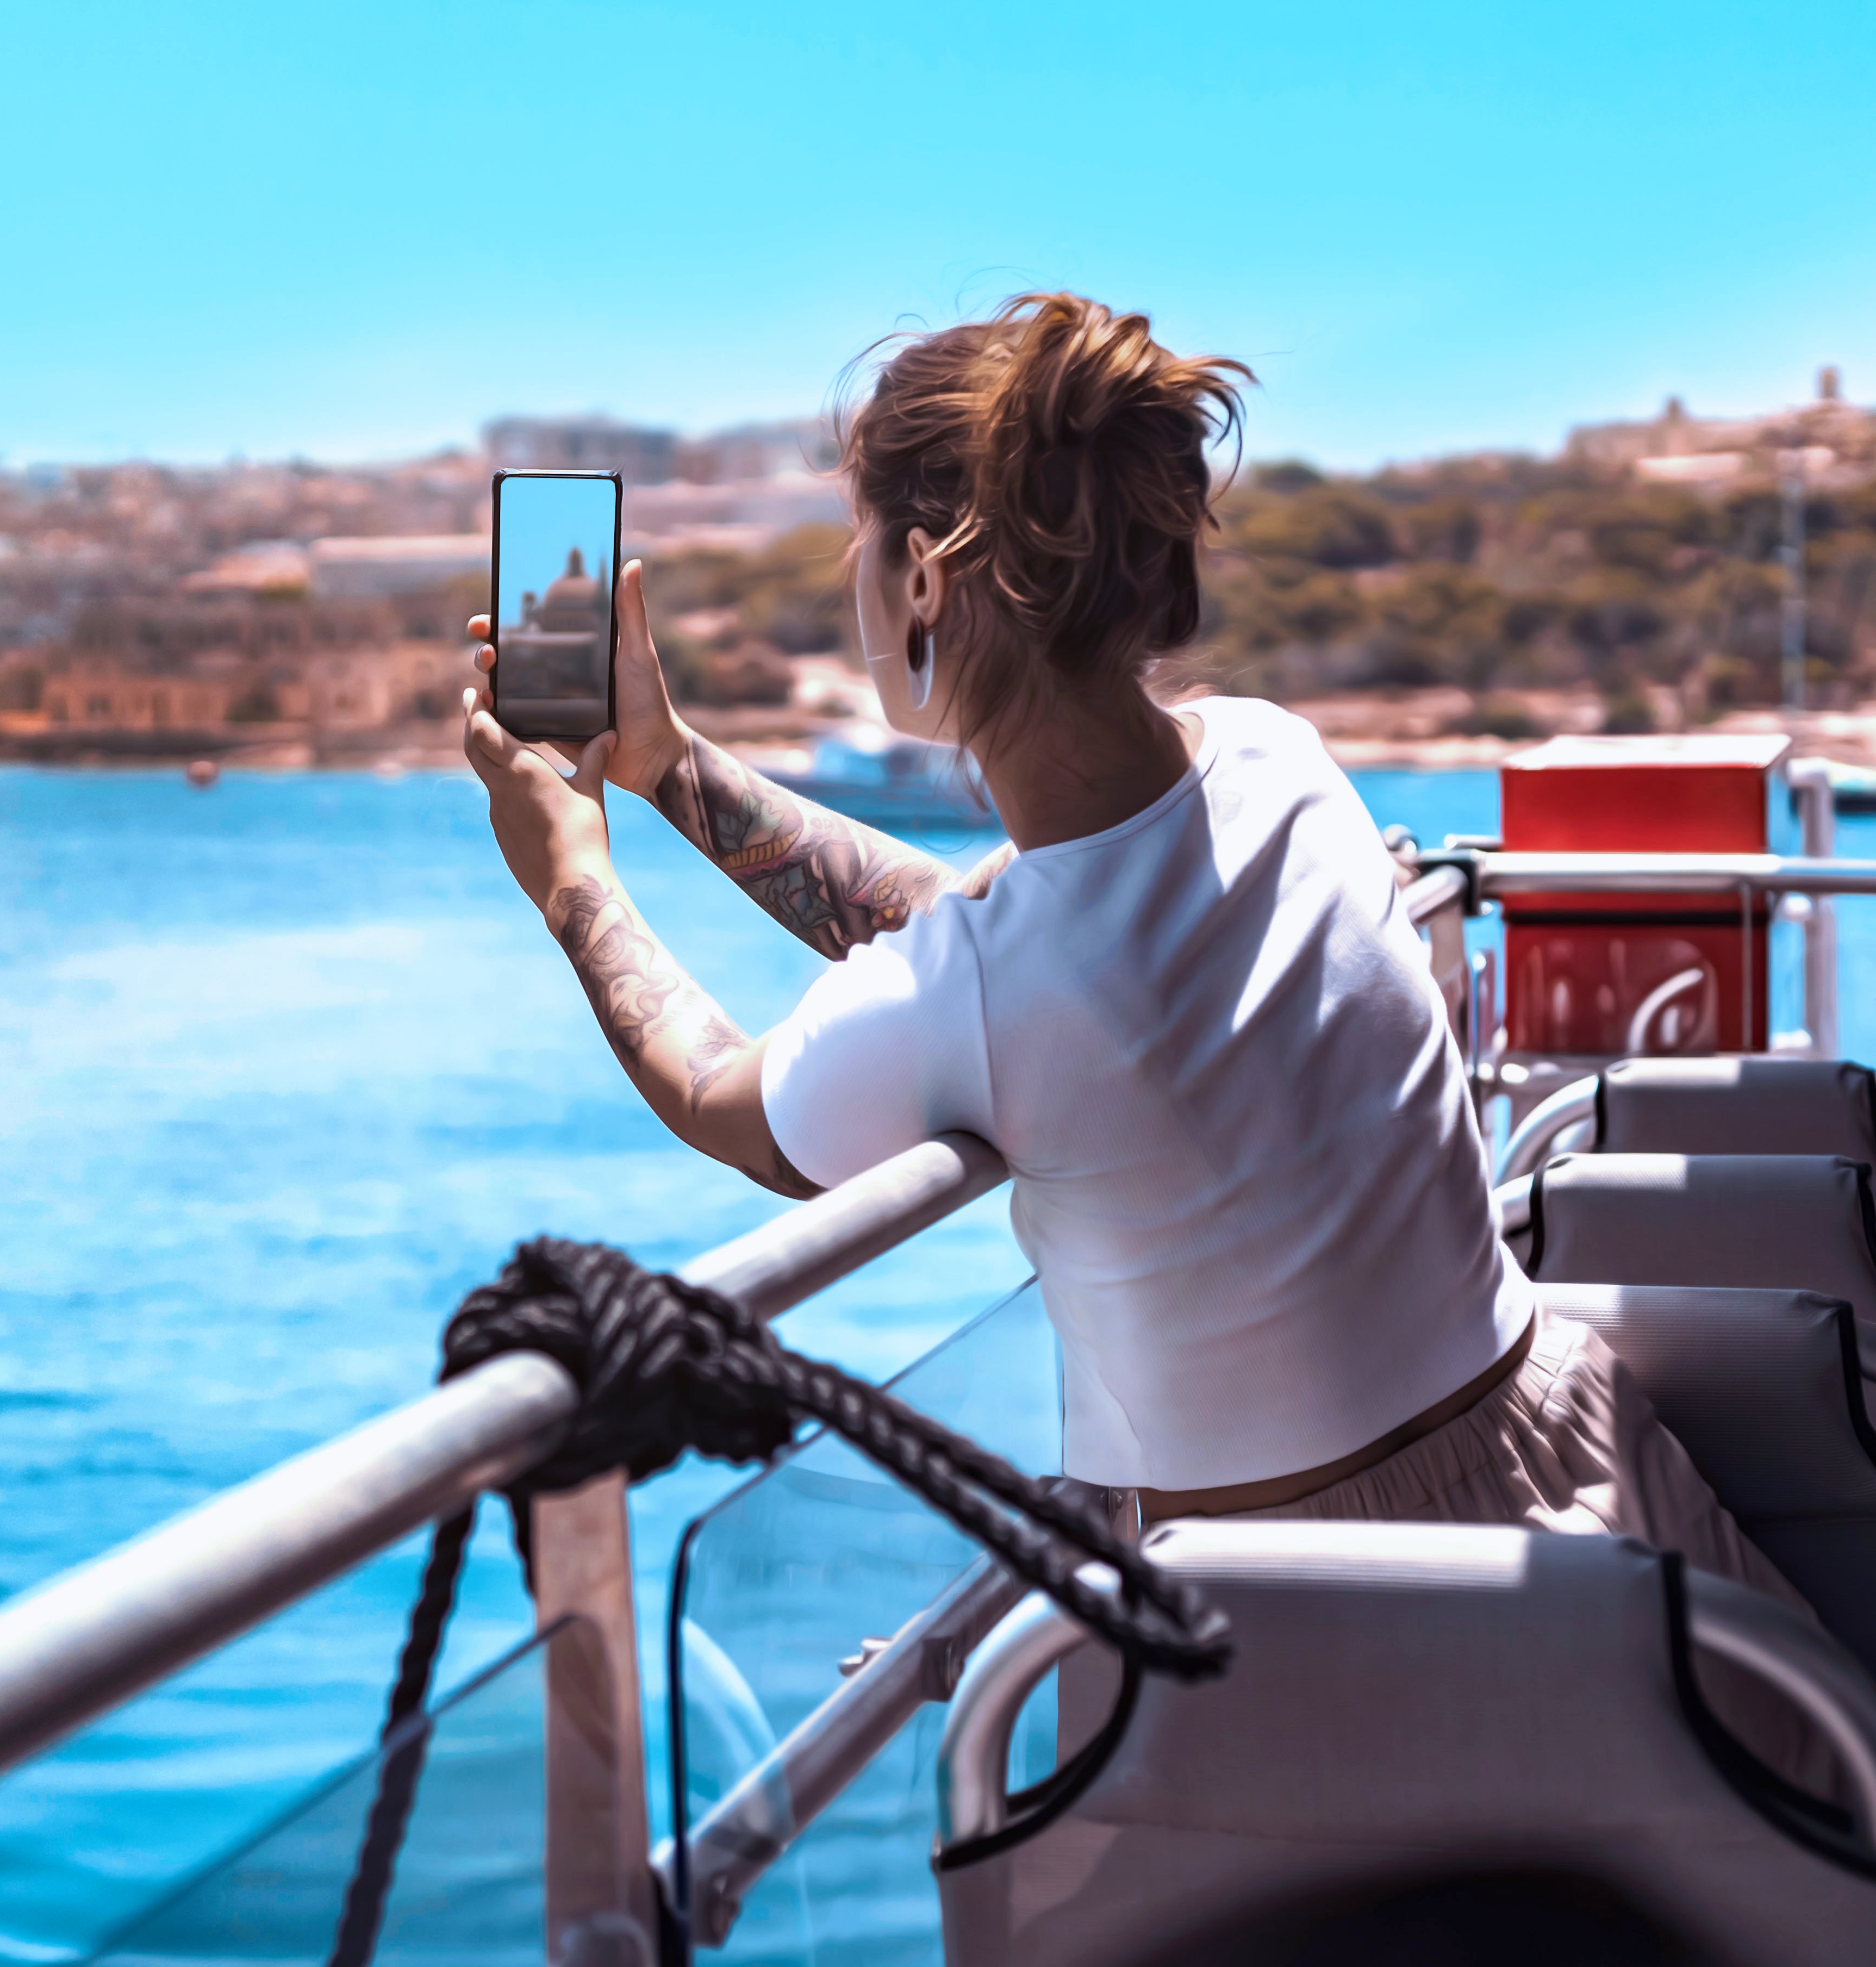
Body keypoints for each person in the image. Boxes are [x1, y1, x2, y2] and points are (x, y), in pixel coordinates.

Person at [459, 291, 1796, 1581]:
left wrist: (573, 879)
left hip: (1310, 1614)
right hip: (1585, 1486)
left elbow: (722, 1097)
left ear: (920, 580)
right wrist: (669, 765)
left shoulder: (995, 981)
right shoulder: (1279, 763)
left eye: (856, 542)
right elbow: (1004, 928)